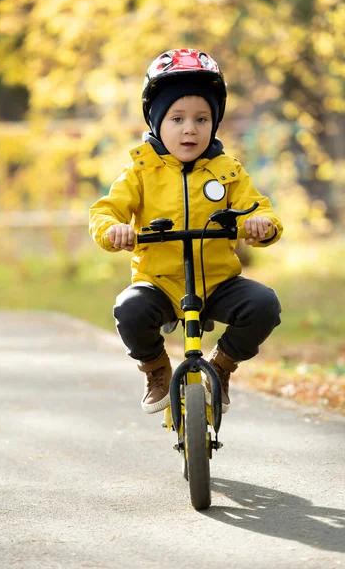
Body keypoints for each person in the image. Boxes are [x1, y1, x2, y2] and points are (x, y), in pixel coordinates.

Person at [89, 48, 283, 415]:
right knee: (129, 310)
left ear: (214, 123)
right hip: (160, 280)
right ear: (156, 122)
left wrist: (262, 225)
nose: (190, 128)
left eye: (201, 118)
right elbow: (106, 209)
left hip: (216, 280)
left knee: (264, 305)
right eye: (177, 118)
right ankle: (156, 369)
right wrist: (113, 229)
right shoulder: (141, 172)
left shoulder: (227, 171)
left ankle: (222, 367)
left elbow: (258, 208)